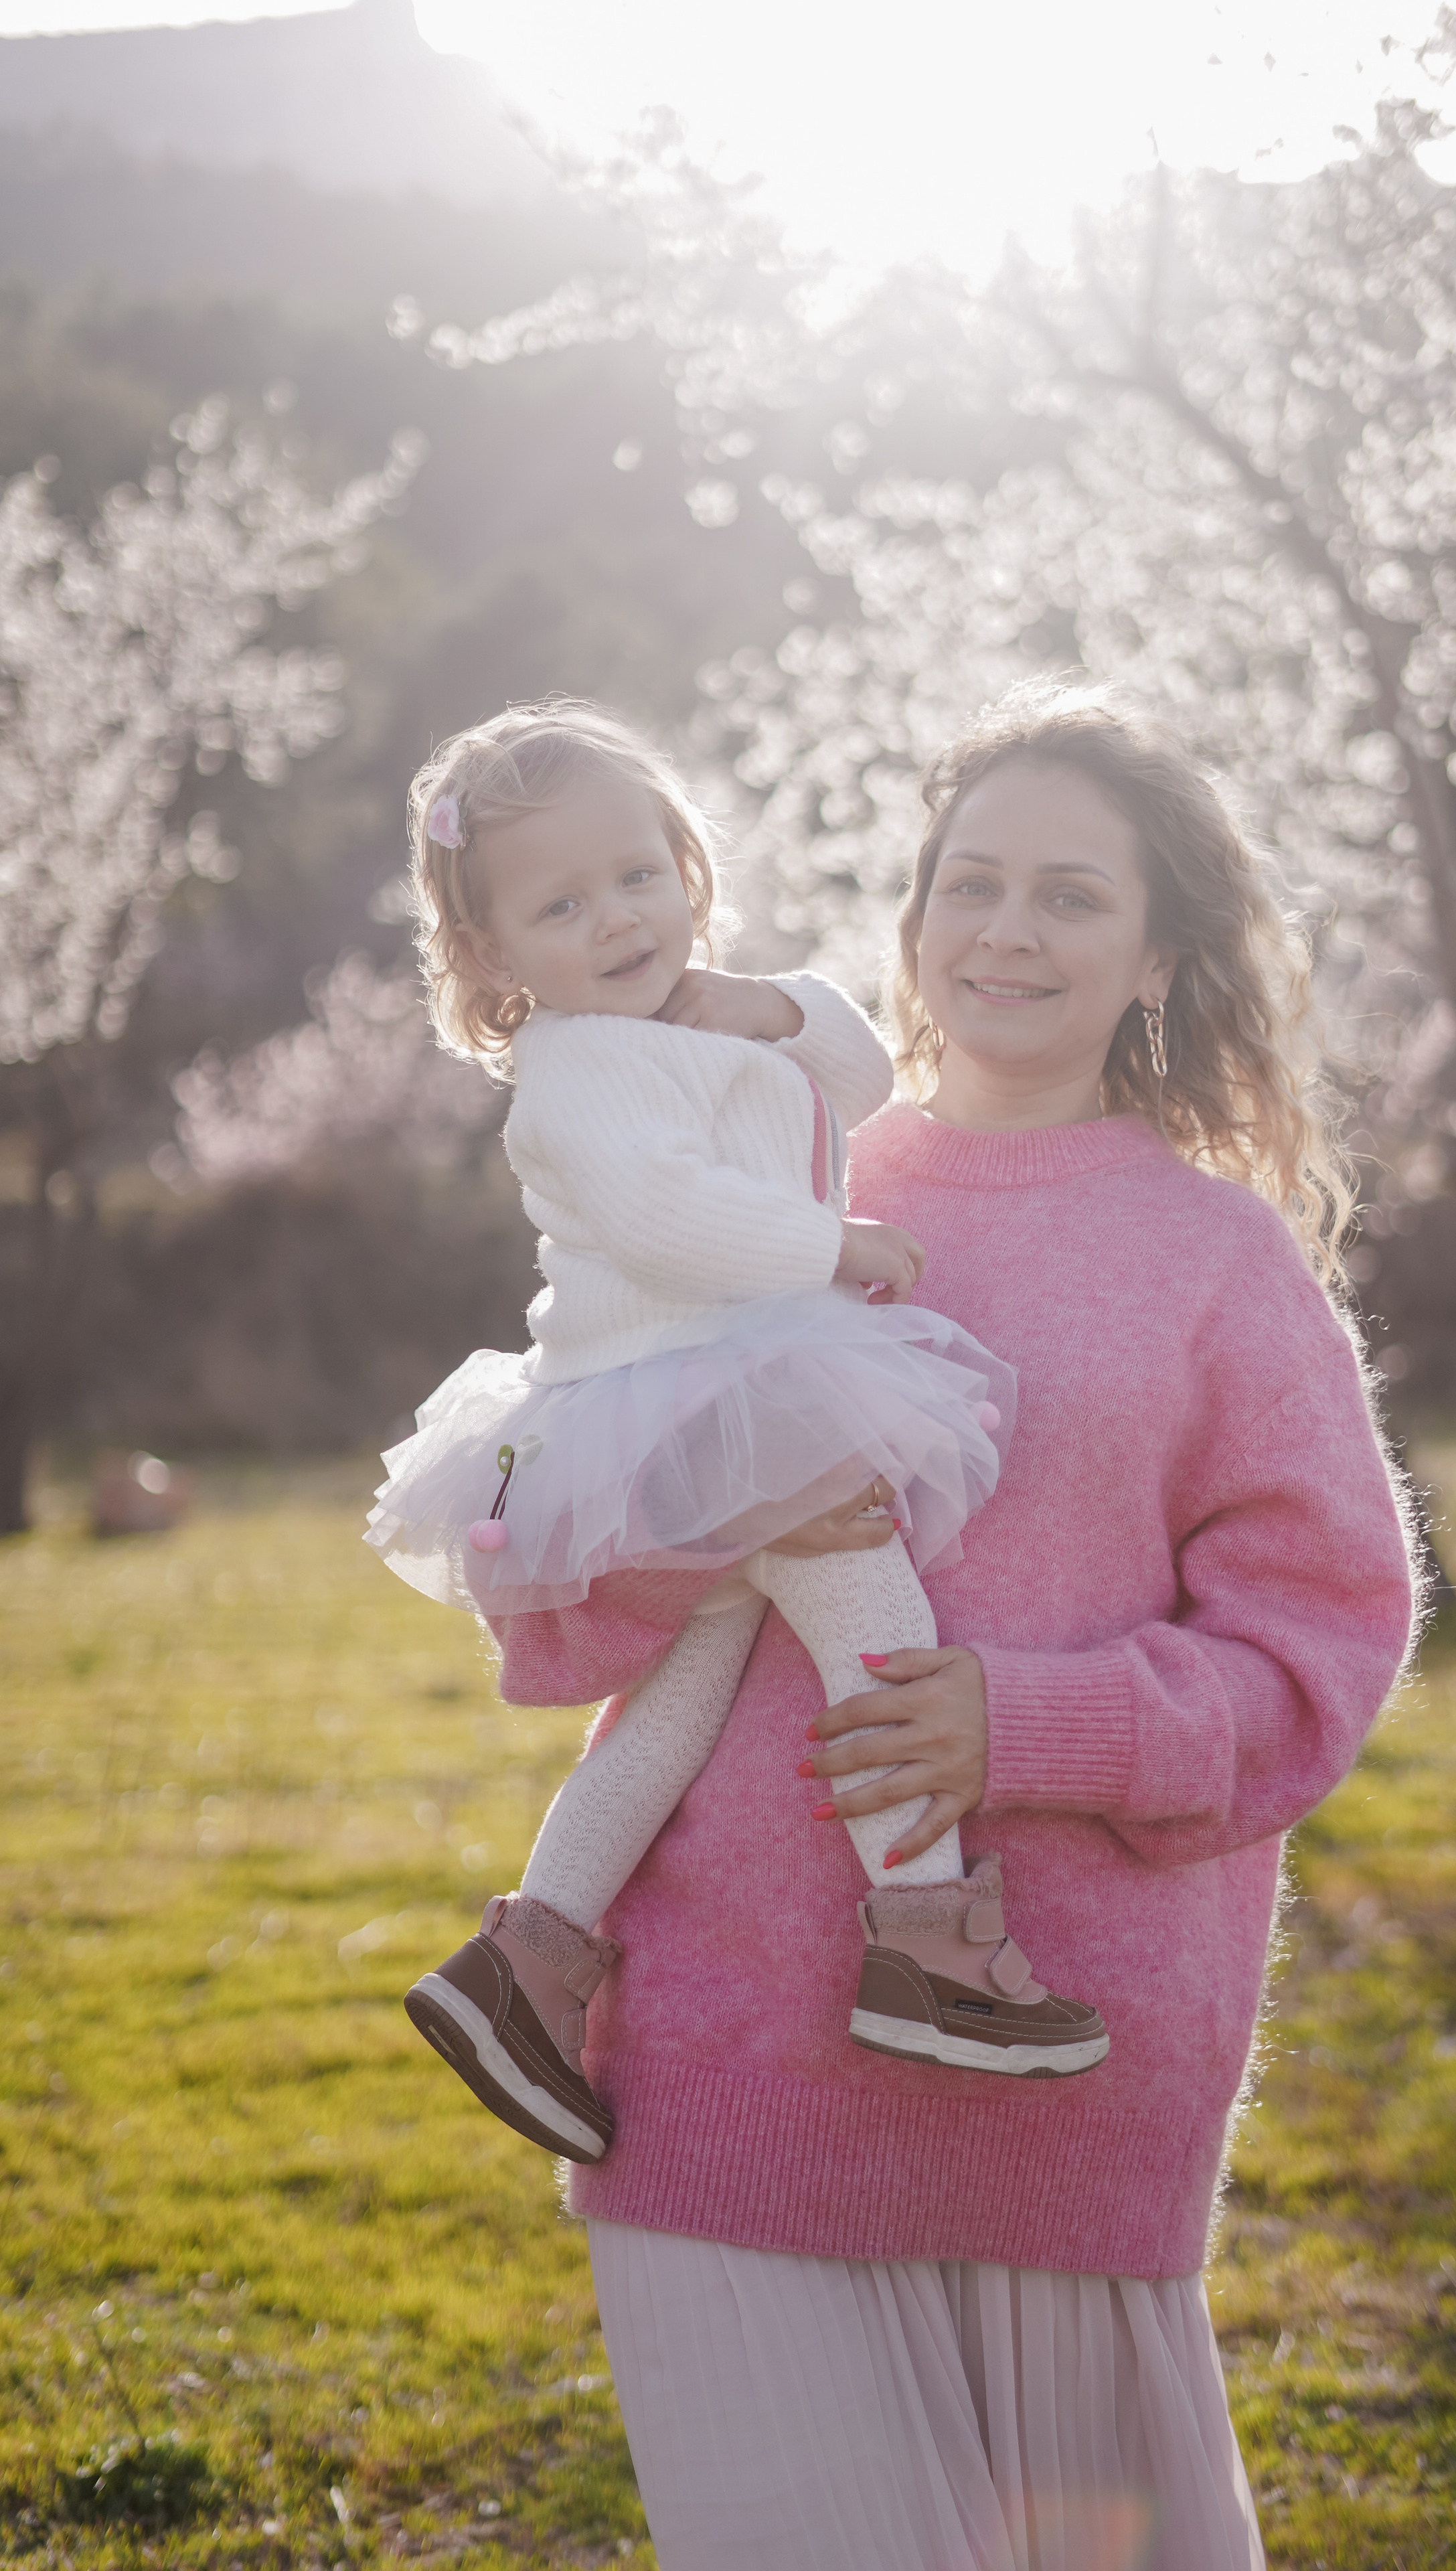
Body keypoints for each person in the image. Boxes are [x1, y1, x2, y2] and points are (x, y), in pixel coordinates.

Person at [492, 682, 1419, 2571]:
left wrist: (1025, 1724)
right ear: (911, 920)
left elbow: (1315, 1657)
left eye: (1071, 896)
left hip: (1062, 2069)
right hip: (728, 2057)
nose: (1006, 930)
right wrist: (706, 1531)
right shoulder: (765, 1188)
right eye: (970, 883)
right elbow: (546, 1596)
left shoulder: (1219, 1264)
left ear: (1158, 959)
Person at [366, 699, 1107, 2172]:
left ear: (687, 867)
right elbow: (663, 1216)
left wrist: (770, 1006)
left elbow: (862, 1074)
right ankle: (924, 1937)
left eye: (638, 876)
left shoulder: (692, 1023)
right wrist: (831, 1246)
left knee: (681, 1702)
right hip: (695, 1400)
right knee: (878, 1624)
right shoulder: (580, 1064)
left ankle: (529, 1960)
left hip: (727, 1401)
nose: (616, 919)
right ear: (495, 956)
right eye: (561, 907)